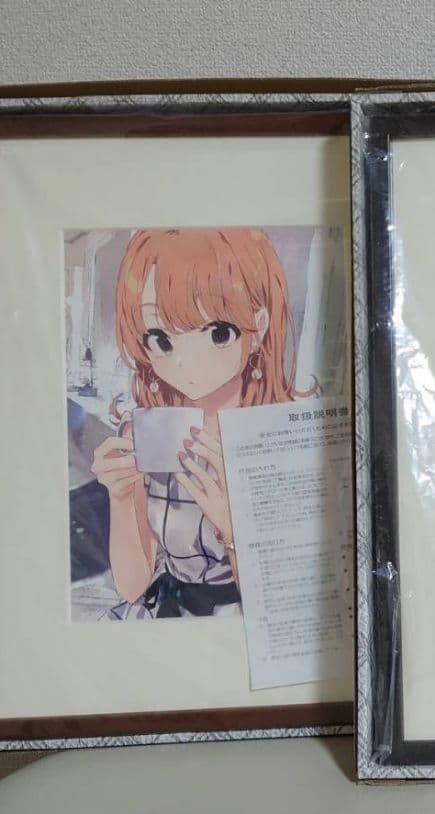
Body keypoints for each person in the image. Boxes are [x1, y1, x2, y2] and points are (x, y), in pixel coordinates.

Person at [90, 228, 308, 618]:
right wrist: (120, 499)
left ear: (258, 326)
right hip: (167, 612)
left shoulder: (279, 436)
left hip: (245, 624)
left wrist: (233, 525)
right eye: (160, 338)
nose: (185, 362)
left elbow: (286, 597)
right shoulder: (147, 434)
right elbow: (133, 585)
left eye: (218, 333)